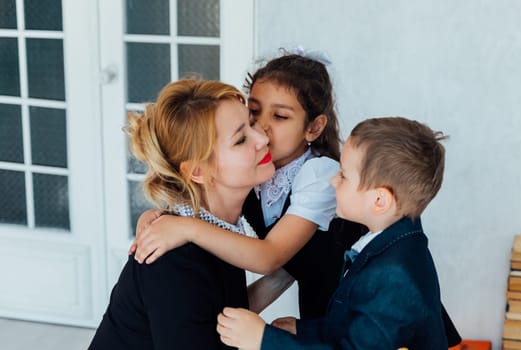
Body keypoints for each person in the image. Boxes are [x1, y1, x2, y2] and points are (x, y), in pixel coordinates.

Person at [130, 51, 365, 319]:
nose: (262, 129)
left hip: (349, 302)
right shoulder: (257, 170)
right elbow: (204, 196)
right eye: (253, 113)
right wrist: (155, 218)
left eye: (280, 117)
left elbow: (268, 256)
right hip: (311, 291)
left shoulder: (319, 174)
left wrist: (186, 228)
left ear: (313, 128)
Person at [216, 116, 452, 349]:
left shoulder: (395, 275)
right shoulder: (392, 243)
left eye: (344, 176)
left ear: (379, 200)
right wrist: (307, 330)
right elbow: (356, 323)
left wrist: (264, 340)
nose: (333, 181)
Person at [88, 79, 275, 349]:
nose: (263, 138)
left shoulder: (219, 224)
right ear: (199, 171)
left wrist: (291, 271)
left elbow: (218, 317)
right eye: (241, 139)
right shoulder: (172, 262)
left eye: (252, 123)